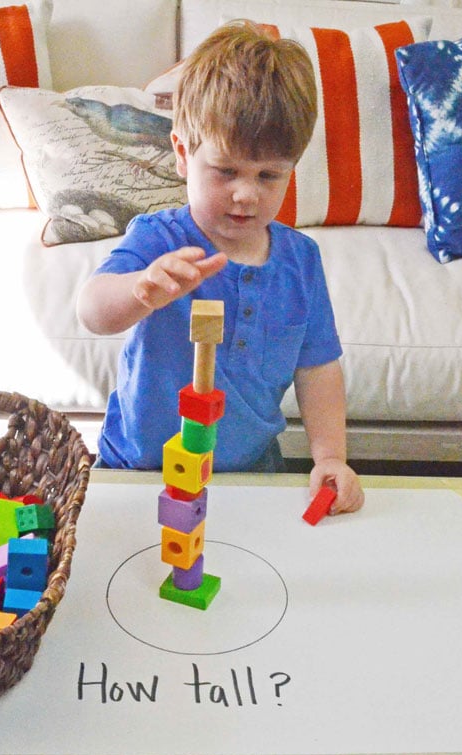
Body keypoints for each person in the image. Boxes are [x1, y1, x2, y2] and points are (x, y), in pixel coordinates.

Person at [76, 20, 364, 516]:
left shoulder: (301, 261)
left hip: (250, 472)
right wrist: (141, 290)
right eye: (226, 170)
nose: (246, 193)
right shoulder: (158, 239)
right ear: (184, 153)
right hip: (139, 470)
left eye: (269, 175)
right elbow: (93, 311)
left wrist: (331, 456)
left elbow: (317, 367)